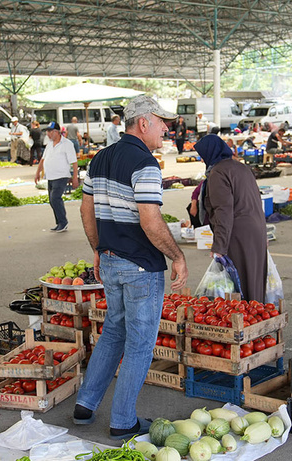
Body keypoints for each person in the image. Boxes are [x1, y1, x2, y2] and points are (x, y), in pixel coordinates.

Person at [75, 95, 188, 440]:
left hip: (110, 260)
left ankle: (86, 404)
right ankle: (123, 419)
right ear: (143, 123)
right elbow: (151, 220)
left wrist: (98, 250)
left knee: (113, 332)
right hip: (140, 266)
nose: (166, 128)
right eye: (161, 121)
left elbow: (85, 211)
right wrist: (177, 256)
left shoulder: (100, 158)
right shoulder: (145, 164)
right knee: (139, 343)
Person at [198, 135, 267, 302]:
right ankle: (255, 319)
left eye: (202, 154)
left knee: (240, 282)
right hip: (256, 229)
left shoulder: (218, 173)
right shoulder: (241, 167)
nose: (201, 159)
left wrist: (219, 246)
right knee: (254, 280)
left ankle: (244, 323)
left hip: (238, 233)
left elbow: (223, 211)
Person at [34, 121, 78, 233]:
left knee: (55, 198)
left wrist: (75, 178)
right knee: (52, 200)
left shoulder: (67, 144)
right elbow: (43, 160)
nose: (48, 134)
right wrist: (37, 172)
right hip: (51, 176)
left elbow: (74, 162)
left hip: (61, 176)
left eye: (50, 132)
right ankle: (59, 222)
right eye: (47, 132)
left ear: (57, 132)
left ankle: (63, 222)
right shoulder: (49, 144)